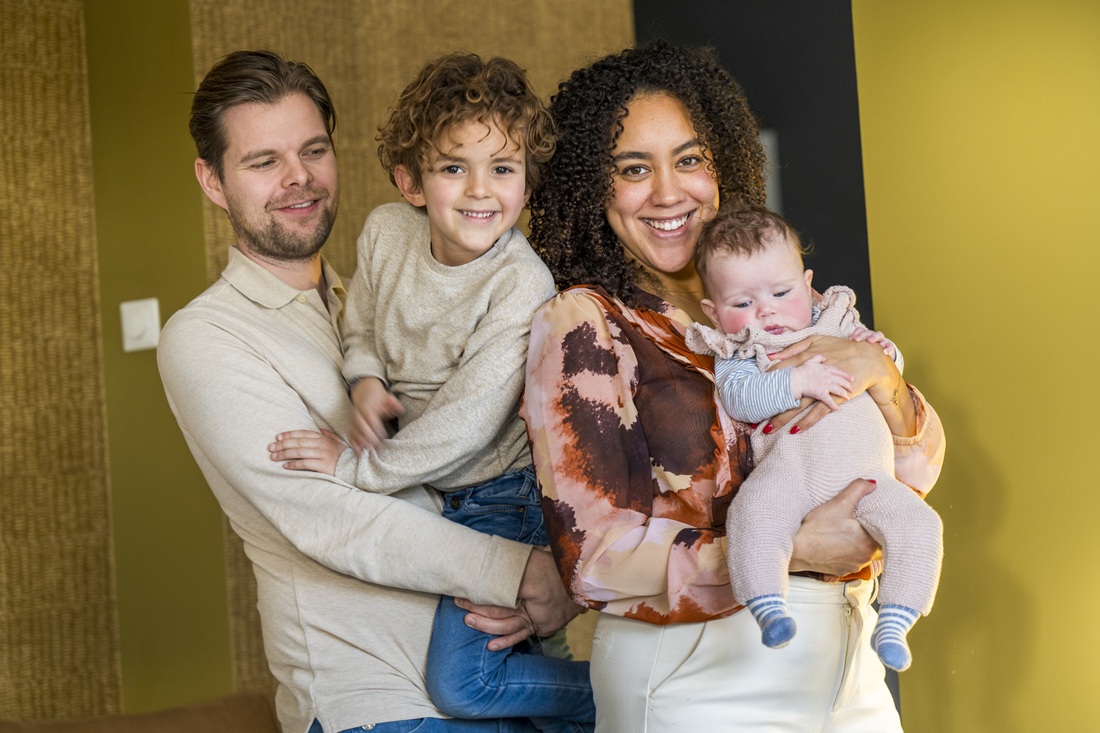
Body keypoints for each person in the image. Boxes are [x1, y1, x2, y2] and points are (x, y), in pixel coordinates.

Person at [521, 40, 946, 732]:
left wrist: (886, 381)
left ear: (722, 162)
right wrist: (794, 549)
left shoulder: (775, 302)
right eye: (634, 169)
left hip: (848, 661)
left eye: (690, 158)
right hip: (695, 674)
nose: (669, 191)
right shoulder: (584, 324)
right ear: (592, 187)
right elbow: (594, 560)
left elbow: (912, 469)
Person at [158, 50, 577, 733]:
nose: (299, 179)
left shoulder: (375, 291)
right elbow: (337, 518)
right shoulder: (205, 336)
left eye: (313, 150)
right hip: (380, 704)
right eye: (263, 161)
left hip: (501, 669)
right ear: (212, 179)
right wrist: (529, 571)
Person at [683, 204, 944, 672]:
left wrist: (885, 356)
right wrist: (796, 383)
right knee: (753, 515)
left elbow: (885, 364)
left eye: (782, 292)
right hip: (790, 474)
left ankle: (897, 619)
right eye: (741, 304)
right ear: (713, 311)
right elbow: (740, 398)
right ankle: (767, 604)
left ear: (808, 284)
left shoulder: (836, 320)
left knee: (921, 526)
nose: (766, 311)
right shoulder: (740, 348)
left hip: (870, 477)